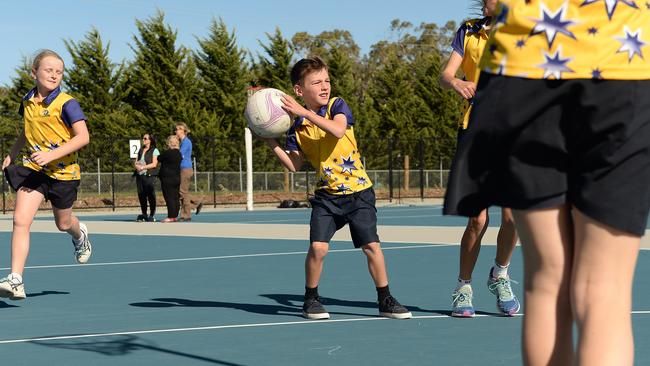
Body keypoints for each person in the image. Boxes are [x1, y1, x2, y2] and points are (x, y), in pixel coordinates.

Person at [444, 1, 650, 364]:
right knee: (605, 290)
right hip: (621, 55)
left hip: (526, 65)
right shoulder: (470, 30)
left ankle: (489, 277)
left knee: (547, 281)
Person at [260, 56, 411, 320]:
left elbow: (339, 131)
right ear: (299, 90)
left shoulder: (336, 106)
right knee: (318, 248)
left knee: (371, 246)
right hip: (327, 197)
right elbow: (294, 165)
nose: (324, 86)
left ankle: (385, 298)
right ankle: (311, 298)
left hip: (359, 192)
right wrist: (269, 141)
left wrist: (304, 112)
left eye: (327, 80)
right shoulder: (296, 128)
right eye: (316, 82)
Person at [439, 0, 519, 317]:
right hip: (475, 129)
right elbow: (446, 74)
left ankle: (500, 274)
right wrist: (456, 81)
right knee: (478, 218)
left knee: (514, 217)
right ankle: (463, 286)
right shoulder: (469, 32)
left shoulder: (526, 31)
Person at [0, 49, 92, 300]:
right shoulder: (28, 100)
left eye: (59, 71)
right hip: (34, 170)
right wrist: (12, 154)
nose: (54, 75)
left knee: (63, 223)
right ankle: (16, 279)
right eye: (48, 70)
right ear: (34, 72)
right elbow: (26, 131)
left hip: (64, 173)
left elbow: (83, 137)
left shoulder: (67, 103)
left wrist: (52, 155)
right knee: (20, 220)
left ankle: (79, 233)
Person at [174, 122, 203, 221]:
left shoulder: (186, 142)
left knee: (182, 192)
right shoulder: (181, 142)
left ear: (183, 131)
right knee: (181, 192)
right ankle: (197, 201)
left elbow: (179, 155)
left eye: (178, 129)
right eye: (176, 129)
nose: (176, 131)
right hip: (181, 168)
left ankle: (186, 215)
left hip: (185, 169)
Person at [134, 133, 159, 222]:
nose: (143, 140)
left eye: (145, 138)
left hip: (149, 175)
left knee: (151, 195)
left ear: (150, 140)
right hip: (140, 176)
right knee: (141, 195)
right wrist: (137, 167)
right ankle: (144, 214)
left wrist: (143, 167)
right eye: (143, 138)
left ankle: (152, 215)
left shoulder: (154, 150)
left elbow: (154, 164)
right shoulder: (140, 150)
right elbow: (136, 161)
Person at [158, 135, 182, 223]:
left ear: (169, 143)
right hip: (177, 178)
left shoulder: (168, 153)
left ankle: (170, 216)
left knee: (169, 197)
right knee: (175, 197)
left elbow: (159, 158)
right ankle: (175, 215)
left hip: (168, 178)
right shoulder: (179, 153)